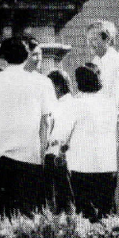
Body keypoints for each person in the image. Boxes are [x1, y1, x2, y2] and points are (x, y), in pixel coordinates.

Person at [0, 36, 56, 217]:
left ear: (4, 56)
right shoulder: (43, 83)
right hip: (29, 156)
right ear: (27, 54)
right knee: (26, 214)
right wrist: (42, 152)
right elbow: (47, 121)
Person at [87, 20, 119, 215]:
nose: (90, 44)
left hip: (117, 121)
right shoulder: (95, 64)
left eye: (93, 40)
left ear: (107, 39)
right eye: (88, 40)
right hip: (99, 124)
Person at [67, 64, 118, 221]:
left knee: (85, 216)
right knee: (106, 215)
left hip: (81, 167)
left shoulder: (75, 103)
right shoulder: (110, 103)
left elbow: (65, 133)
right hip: (107, 165)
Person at [43, 69, 76, 214]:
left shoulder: (66, 104)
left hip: (58, 156)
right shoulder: (59, 104)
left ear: (58, 86)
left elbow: (60, 133)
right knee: (59, 199)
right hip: (56, 156)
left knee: (62, 199)